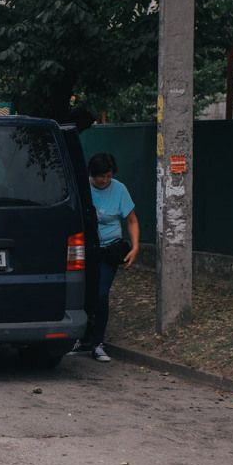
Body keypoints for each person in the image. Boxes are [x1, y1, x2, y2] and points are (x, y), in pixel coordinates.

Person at [77, 152, 140, 362]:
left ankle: (97, 343)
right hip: (87, 249)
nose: (105, 180)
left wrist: (135, 247)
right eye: (100, 176)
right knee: (85, 292)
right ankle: (83, 337)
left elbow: (131, 220)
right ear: (92, 175)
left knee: (101, 294)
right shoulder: (83, 188)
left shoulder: (119, 189)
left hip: (109, 250)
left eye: (108, 176)